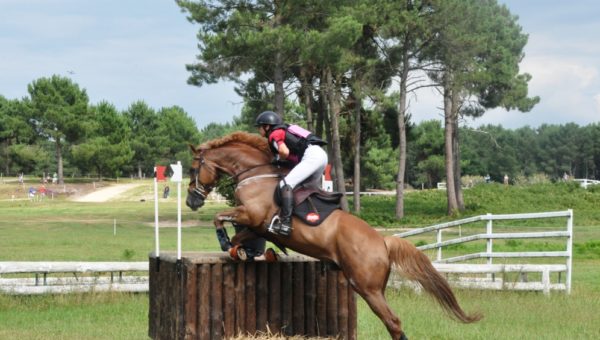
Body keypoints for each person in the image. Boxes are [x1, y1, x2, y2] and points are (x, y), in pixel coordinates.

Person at [255, 111, 328, 236]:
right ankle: (313, 215)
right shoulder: (285, 129)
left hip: (311, 157)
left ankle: (286, 223)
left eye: (259, 127)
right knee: (307, 189)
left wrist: (279, 159)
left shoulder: (274, 134)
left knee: (286, 185)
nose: (258, 130)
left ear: (267, 127)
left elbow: (284, 151)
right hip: (321, 155)